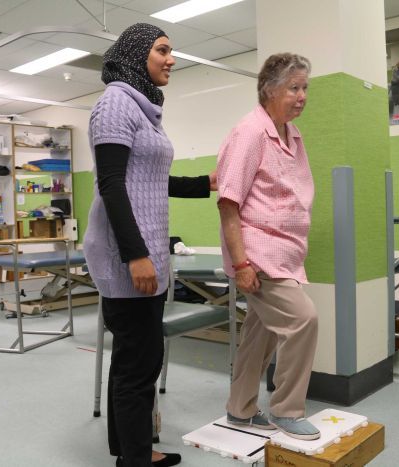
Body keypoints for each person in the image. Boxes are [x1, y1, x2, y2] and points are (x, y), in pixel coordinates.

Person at [84, 23, 215, 467]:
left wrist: (206, 183)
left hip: (148, 251)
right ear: (138, 53)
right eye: (162, 50)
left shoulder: (141, 109)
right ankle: (137, 460)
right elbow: (112, 184)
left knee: (132, 359)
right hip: (130, 256)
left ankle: (131, 451)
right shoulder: (115, 105)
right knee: (139, 363)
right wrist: (135, 255)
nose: (171, 59)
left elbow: (153, 180)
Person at [216, 53, 320, 441]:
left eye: (305, 87)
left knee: (262, 334)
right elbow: (229, 203)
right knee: (302, 320)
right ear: (269, 90)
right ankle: (287, 410)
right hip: (259, 256)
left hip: (287, 254)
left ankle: (239, 409)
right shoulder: (250, 133)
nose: (302, 96)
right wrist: (242, 263)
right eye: (294, 87)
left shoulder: (292, 135)